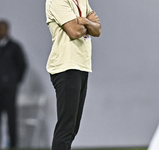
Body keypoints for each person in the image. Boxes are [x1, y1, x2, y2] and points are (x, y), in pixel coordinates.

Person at [45, 0, 101, 150]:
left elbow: (98, 30)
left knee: (72, 128)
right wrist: (88, 23)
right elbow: (74, 31)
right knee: (66, 128)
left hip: (82, 66)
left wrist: (83, 21)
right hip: (66, 66)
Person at [0, 19, 27, 148]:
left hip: (9, 89)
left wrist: (14, 81)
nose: (0, 31)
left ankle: (13, 145)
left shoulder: (14, 47)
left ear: (7, 30)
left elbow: (22, 65)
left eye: (2, 28)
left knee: (11, 120)